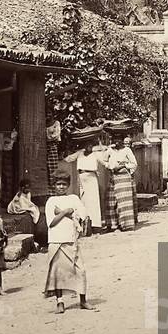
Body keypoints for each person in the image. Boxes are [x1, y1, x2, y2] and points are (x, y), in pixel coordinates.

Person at [44, 170, 96, 313]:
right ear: (54, 185)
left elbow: (83, 214)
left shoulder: (73, 198)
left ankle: (83, 300)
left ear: (68, 185)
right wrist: (65, 212)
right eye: (58, 184)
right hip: (57, 241)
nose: (61, 187)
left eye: (64, 184)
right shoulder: (51, 201)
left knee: (81, 270)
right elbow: (52, 222)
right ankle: (60, 302)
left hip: (72, 240)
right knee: (58, 272)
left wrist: (76, 214)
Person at [105, 134, 139, 232]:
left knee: (123, 202)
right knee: (111, 201)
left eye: (119, 139)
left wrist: (123, 166)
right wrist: (110, 166)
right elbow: (104, 161)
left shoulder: (127, 150)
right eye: (114, 139)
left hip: (124, 177)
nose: (116, 141)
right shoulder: (110, 150)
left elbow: (134, 164)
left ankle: (124, 225)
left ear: (122, 140)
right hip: (113, 177)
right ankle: (112, 225)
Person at [76, 142, 103, 234]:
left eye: (91, 146)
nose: (89, 147)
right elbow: (68, 158)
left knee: (93, 201)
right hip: (81, 179)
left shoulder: (95, 155)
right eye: (87, 145)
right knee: (83, 201)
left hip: (92, 179)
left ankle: (96, 226)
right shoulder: (80, 154)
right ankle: (86, 225)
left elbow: (104, 160)